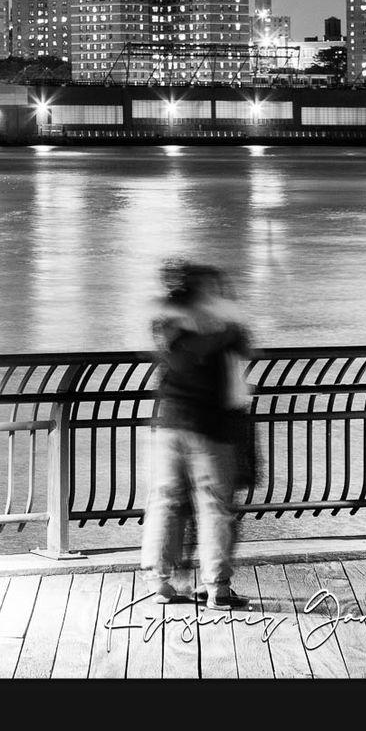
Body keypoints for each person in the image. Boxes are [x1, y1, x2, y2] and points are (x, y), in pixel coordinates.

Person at [140, 260, 254, 610]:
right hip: (212, 428)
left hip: (170, 424)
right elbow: (246, 348)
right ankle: (217, 588)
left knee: (165, 502)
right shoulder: (224, 327)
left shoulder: (165, 323)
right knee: (215, 507)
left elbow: (170, 354)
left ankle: (160, 582)